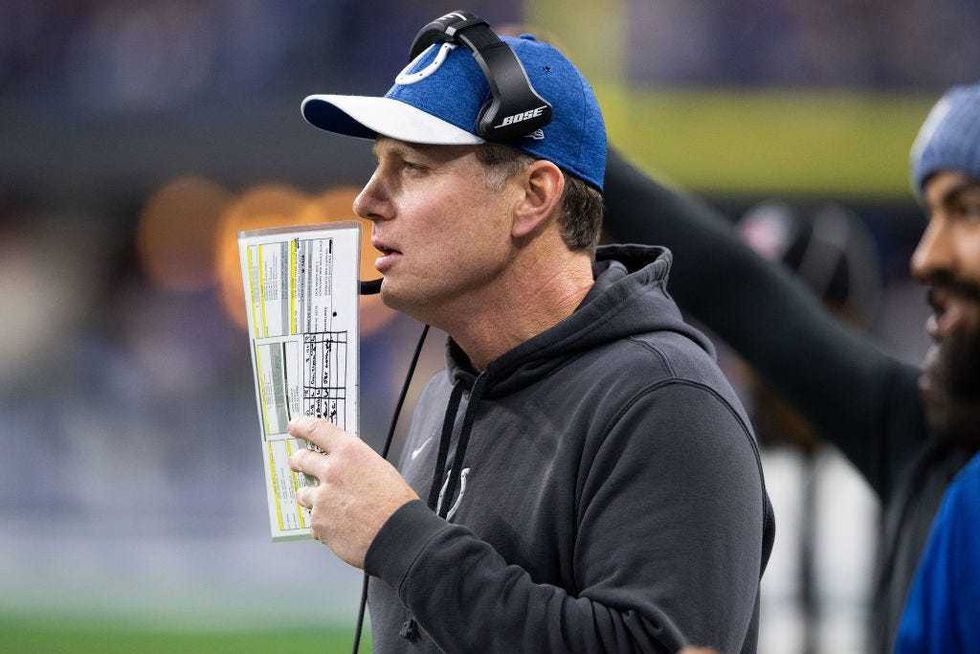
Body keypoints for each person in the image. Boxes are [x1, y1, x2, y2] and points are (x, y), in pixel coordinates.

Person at [286, 13, 774, 653]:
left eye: (412, 166)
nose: (367, 199)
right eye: (379, 165)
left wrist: (401, 537)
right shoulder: (446, 394)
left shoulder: (666, 400)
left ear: (533, 196)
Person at [601, 80, 980, 652]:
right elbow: (738, 291)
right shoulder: (929, 448)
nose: (926, 257)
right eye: (930, 216)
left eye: (967, 209)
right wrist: (562, 132)